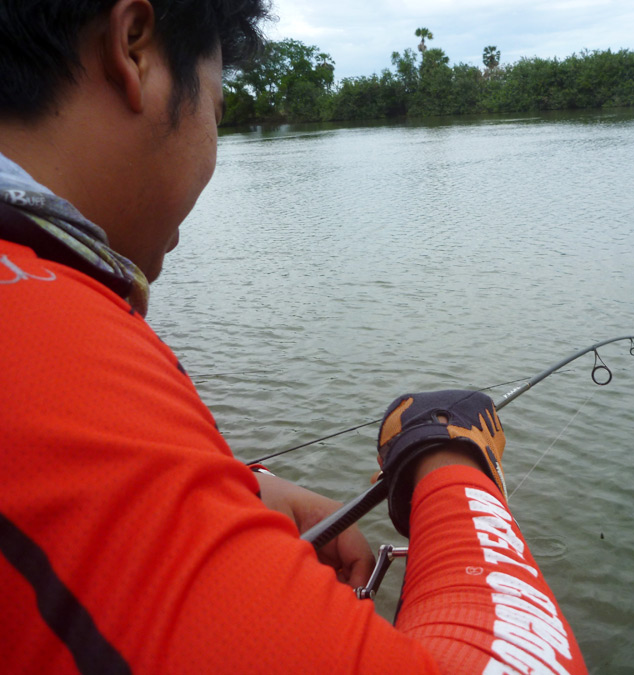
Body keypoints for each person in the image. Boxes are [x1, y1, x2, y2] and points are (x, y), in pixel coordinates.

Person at [0, 1, 588, 672]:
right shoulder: (57, 356)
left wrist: (234, 492)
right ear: (134, 48)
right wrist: (447, 454)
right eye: (217, 108)